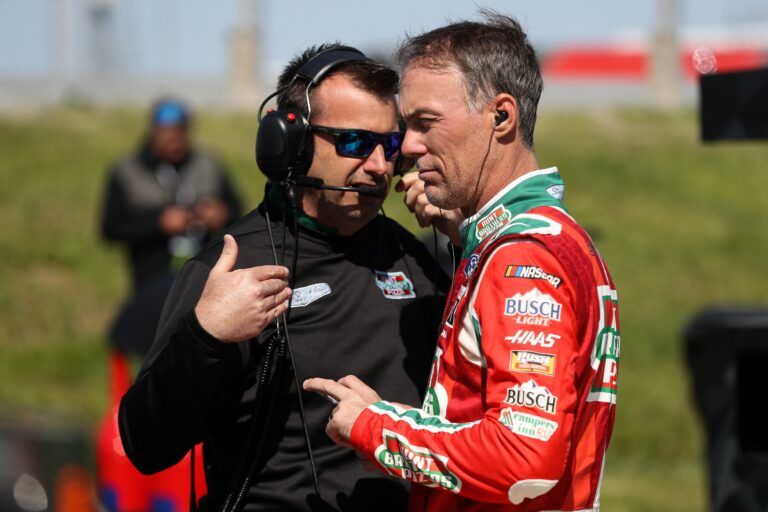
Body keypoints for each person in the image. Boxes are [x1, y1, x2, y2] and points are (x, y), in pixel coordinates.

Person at [304, 12, 621, 511]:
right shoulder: (547, 237)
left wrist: (376, 427)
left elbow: (525, 461)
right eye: (406, 126)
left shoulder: (523, 259)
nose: (405, 148)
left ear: (502, 116)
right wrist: (464, 237)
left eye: (425, 123)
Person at [118, 44, 447, 511]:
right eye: (354, 142)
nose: (379, 166)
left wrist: (465, 238)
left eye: (390, 146)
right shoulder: (230, 267)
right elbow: (146, 447)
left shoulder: (417, 256)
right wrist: (204, 335)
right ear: (291, 145)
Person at [101, 98, 243, 356]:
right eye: (167, 133)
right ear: (153, 131)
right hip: (151, 284)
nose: (174, 140)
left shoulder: (208, 164)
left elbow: (237, 212)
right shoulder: (126, 170)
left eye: (180, 132)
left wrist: (219, 215)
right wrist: (158, 222)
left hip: (205, 283)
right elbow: (111, 228)